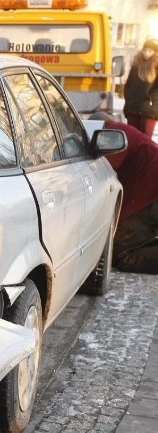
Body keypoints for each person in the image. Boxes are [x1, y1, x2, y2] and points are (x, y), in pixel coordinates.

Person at [88, 113, 158, 274]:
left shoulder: (112, 133)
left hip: (150, 199)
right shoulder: (128, 132)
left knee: (117, 254)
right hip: (149, 197)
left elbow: (102, 173)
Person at [123, 38, 158, 137]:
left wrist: (150, 98)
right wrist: (128, 97)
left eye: (150, 51)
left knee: (145, 139)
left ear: (154, 52)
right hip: (133, 107)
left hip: (148, 109)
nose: (146, 53)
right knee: (132, 138)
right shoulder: (136, 64)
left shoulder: (156, 65)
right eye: (145, 50)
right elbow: (128, 84)